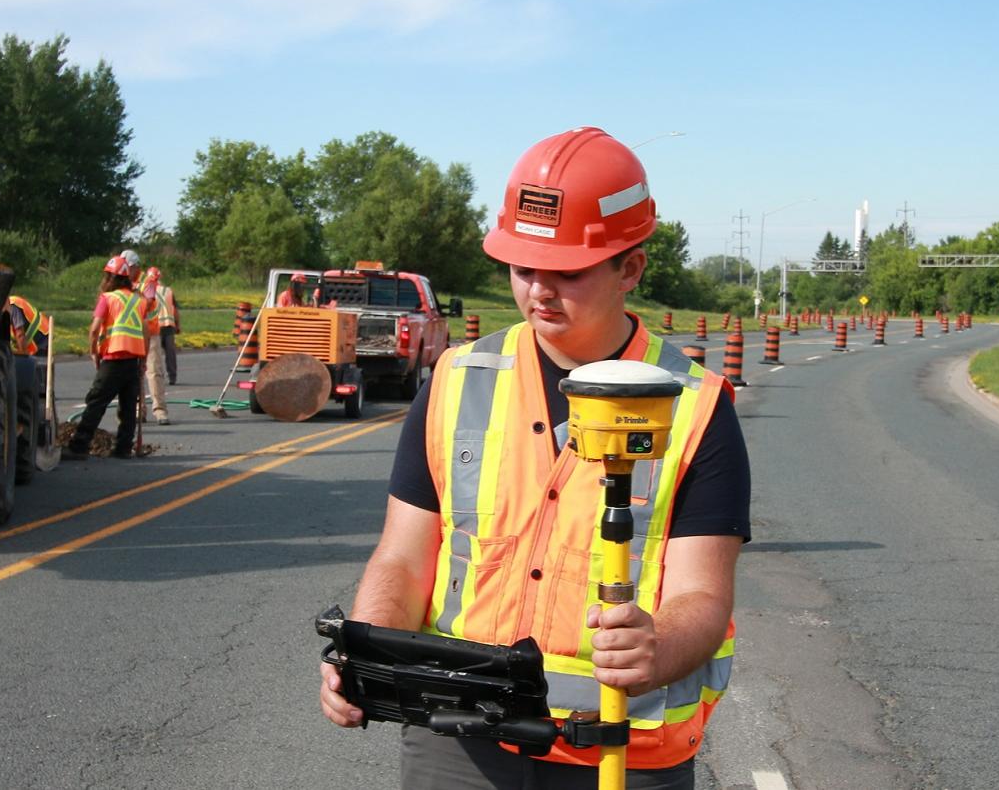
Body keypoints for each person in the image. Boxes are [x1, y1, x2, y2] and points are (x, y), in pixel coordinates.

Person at [319, 127, 750, 789]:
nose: (538, 291)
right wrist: (367, 653)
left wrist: (656, 644)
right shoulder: (456, 378)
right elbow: (404, 557)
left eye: (567, 272)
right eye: (523, 268)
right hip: (458, 739)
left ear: (629, 267)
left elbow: (702, 593)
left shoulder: (694, 406)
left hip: (618, 753)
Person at [65, 253, 156, 460]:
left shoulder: (107, 299)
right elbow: (146, 334)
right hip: (133, 360)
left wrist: (94, 352)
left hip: (113, 360)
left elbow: (95, 329)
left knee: (96, 402)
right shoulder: (139, 301)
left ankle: (79, 446)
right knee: (128, 406)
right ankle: (123, 448)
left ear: (112, 278)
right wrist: (143, 360)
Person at [138, 266, 179, 422]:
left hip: (153, 330)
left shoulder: (147, 284)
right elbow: (175, 310)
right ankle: (140, 410)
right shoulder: (167, 290)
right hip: (145, 330)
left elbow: (150, 305)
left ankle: (158, 410)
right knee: (147, 371)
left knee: (154, 369)